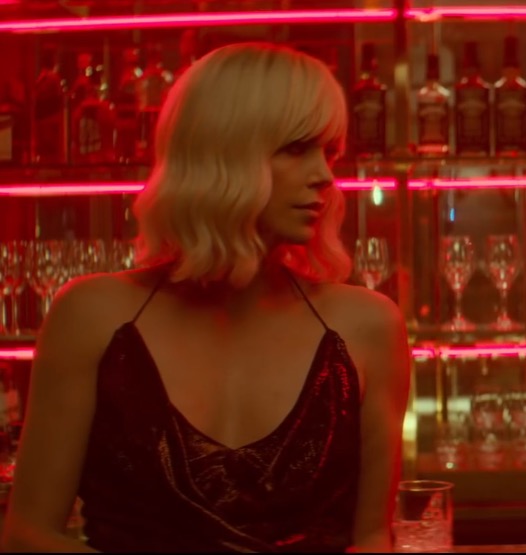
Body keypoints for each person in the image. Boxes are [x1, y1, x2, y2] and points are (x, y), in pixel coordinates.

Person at [1, 42, 410, 552]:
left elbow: (373, 540)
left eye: (330, 152)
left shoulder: (367, 325)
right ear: (223, 153)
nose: (325, 176)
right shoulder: (91, 315)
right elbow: (27, 537)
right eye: (296, 148)